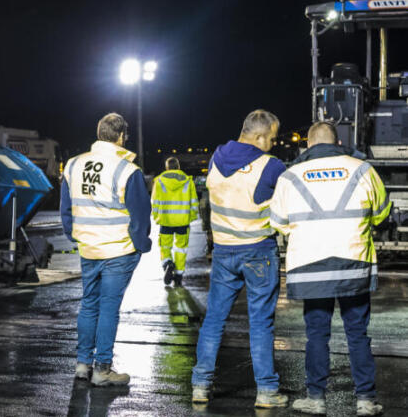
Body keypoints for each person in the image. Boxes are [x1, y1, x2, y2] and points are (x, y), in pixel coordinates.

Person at [270, 121, 387, 416]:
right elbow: (382, 213)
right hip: (353, 262)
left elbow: (278, 223)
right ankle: (365, 401)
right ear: (338, 142)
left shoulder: (290, 176)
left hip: (311, 265)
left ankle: (316, 398)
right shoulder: (362, 169)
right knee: (357, 333)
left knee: (317, 334)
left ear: (308, 144)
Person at [192, 109, 287, 408]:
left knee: (214, 320)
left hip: (223, 251)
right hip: (258, 250)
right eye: (271, 138)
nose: (273, 143)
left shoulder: (216, 159)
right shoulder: (270, 166)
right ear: (259, 136)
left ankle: (200, 386)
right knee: (261, 322)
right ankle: (267, 392)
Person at [61, 112, 151, 386]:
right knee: (109, 308)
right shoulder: (127, 169)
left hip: (89, 247)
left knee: (89, 305)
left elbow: (67, 209)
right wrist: (141, 245)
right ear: (122, 136)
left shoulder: (73, 166)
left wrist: (75, 236)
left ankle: (82, 365)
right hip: (118, 250)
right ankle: (102, 369)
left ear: (99, 133)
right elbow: (140, 215)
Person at [151, 156, 199, 287]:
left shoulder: (159, 181)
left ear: (167, 168)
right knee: (181, 249)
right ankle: (178, 275)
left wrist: (156, 216)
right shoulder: (188, 181)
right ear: (178, 167)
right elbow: (194, 202)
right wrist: (193, 216)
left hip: (165, 220)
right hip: (183, 221)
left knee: (164, 246)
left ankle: (167, 263)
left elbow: (154, 201)